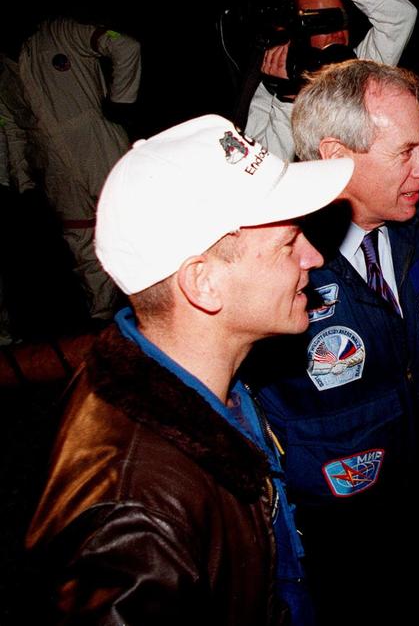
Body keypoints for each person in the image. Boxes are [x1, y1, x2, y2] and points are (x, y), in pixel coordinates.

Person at [25, 114, 353, 624]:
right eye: (288, 244)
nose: (313, 257)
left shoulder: (200, 380)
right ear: (203, 285)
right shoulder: (135, 521)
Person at [245, 60, 419, 625]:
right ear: (335, 158)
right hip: (332, 513)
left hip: (416, 479)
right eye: (407, 152)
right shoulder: (276, 261)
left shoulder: (415, 220)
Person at [14, 17, 142, 320]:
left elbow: (124, 44)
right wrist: (22, 178)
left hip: (98, 145)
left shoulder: (59, 32)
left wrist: (121, 99)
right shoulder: (5, 66)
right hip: (52, 163)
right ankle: (101, 316)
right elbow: (10, 126)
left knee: (133, 224)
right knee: (80, 240)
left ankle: (159, 310)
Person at [240, 0, 417, 159]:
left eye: (339, 20)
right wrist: (287, 100)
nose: (336, 33)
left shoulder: (362, 67)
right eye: (322, 23)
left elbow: (400, 16)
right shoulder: (272, 86)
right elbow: (266, 168)